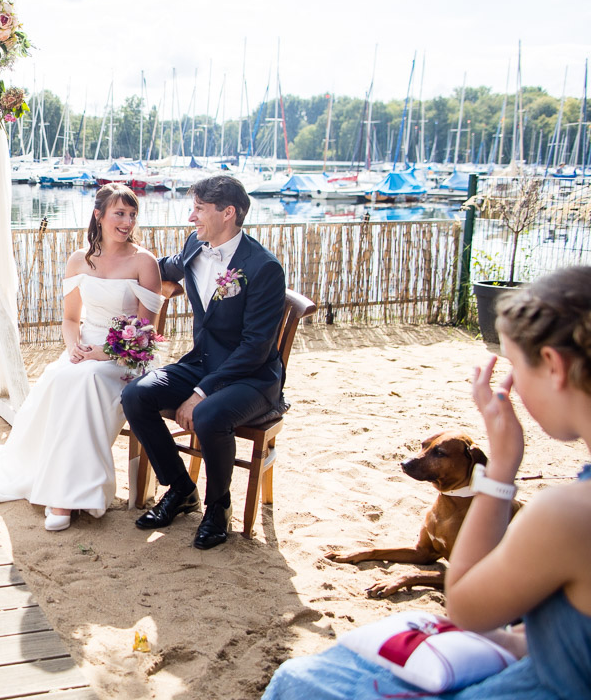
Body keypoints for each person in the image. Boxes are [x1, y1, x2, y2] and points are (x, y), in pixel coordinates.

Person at [263, 266, 591, 699]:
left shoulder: (569, 512)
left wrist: (501, 473)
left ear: (554, 367)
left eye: (515, 368)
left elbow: (467, 607)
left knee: (298, 681)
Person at [0, 184, 162, 531]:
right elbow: (70, 320)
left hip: (126, 356)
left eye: (132, 215)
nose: (127, 221)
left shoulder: (144, 262)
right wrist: (73, 348)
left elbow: (145, 334)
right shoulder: (78, 260)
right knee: (60, 377)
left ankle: (66, 498)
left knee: (85, 380)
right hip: (84, 349)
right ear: (98, 215)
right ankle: (54, 481)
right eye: (119, 213)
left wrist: (102, 353)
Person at [121, 174, 286, 550]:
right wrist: (119, 259)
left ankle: (218, 508)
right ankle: (181, 490)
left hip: (253, 377)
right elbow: (166, 267)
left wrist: (200, 391)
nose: (190, 217)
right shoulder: (197, 245)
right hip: (204, 361)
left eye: (198, 209)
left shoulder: (263, 268)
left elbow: (256, 347)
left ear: (228, 213)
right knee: (136, 395)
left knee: (209, 414)